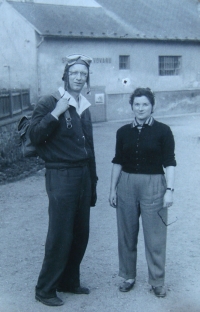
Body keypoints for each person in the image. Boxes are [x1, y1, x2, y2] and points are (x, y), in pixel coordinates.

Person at [29, 54, 98, 306]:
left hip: (82, 175)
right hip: (61, 174)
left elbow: (89, 147)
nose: (79, 78)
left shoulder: (84, 105)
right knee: (60, 233)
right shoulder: (50, 100)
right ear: (66, 76)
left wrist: (93, 182)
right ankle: (45, 288)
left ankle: (69, 280)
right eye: (74, 73)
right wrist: (56, 113)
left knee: (81, 232)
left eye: (83, 74)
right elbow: (35, 135)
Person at [109, 87, 176, 298]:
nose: (140, 108)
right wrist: (113, 189)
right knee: (126, 233)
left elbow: (170, 163)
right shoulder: (122, 132)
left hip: (154, 185)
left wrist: (169, 190)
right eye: (136, 104)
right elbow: (117, 162)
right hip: (126, 185)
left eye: (145, 104)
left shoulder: (163, 131)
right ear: (131, 107)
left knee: (155, 235)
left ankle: (157, 280)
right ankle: (128, 275)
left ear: (152, 106)